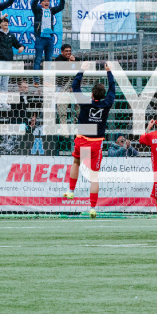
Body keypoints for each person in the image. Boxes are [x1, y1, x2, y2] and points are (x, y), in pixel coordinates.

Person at [63, 62, 116, 219]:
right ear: (103, 95)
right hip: (96, 143)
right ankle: (92, 208)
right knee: (94, 176)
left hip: (82, 140)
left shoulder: (85, 102)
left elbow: (74, 86)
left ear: (92, 94)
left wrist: (82, 69)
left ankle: (71, 191)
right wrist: (109, 72)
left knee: (76, 163)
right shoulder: (107, 103)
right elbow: (113, 89)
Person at [0, 16, 24, 100]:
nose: (5, 23)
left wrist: (21, 47)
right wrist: (1, 18)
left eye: (7, 22)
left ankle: (4, 101)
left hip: (8, 61)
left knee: (5, 83)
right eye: (3, 21)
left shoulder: (11, 35)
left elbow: (17, 44)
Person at [31, 0, 65, 72]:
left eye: (48, 1)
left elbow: (61, 7)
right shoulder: (38, 11)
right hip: (40, 38)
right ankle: (36, 78)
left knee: (48, 60)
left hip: (49, 38)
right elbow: (33, 5)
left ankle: (47, 78)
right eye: (44, 1)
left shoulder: (51, 10)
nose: (47, 2)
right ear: (41, 3)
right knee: (38, 59)